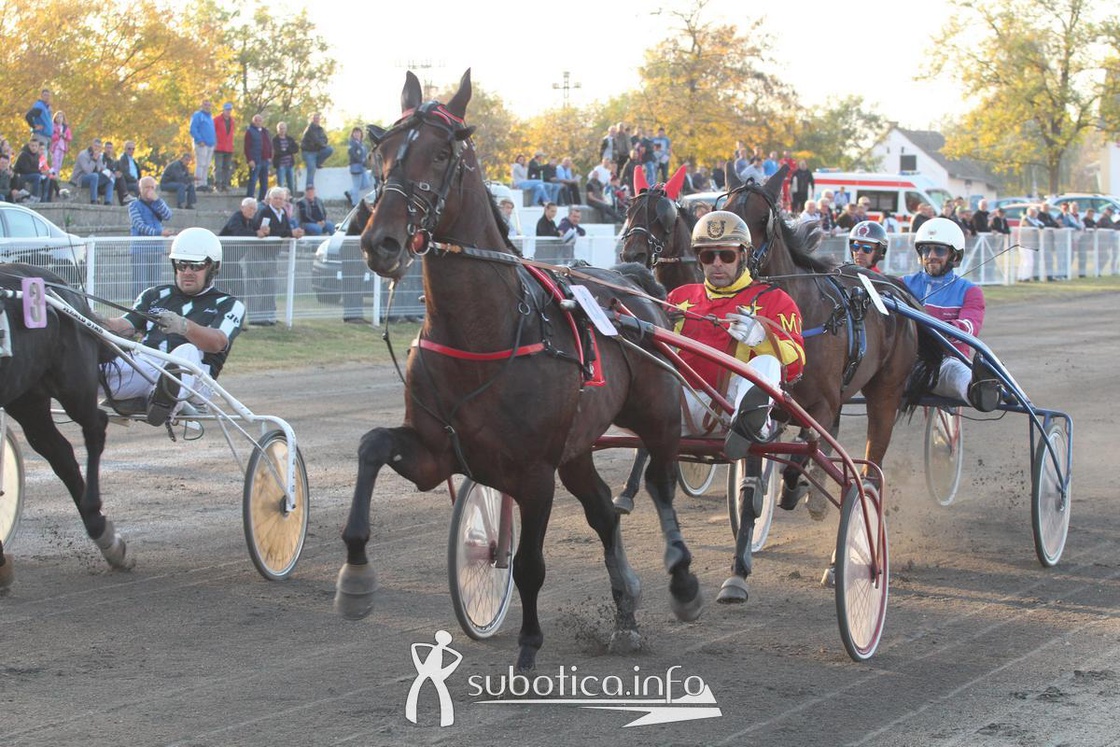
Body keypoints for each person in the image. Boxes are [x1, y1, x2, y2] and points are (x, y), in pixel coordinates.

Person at [667, 211, 804, 602]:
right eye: (707, 256)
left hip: (734, 409)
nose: (716, 265)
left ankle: (749, 426)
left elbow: (796, 362)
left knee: (765, 363)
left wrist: (765, 335)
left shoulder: (773, 300)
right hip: (687, 406)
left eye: (725, 255)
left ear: (743, 255)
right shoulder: (679, 299)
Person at [102, 228, 245, 426]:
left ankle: (162, 402)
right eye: (181, 264)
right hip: (145, 368)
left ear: (213, 267)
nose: (187, 272)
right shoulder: (154, 295)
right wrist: (89, 318)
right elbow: (124, 326)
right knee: (102, 355)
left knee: (186, 352)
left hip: (195, 381)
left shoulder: (228, 304)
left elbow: (218, 342)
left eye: (196, 266)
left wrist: (184, 326)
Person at [902, 217, 999, 412]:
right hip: (906, 362)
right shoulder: (903, 284)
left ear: (954, 256)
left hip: (945, 362)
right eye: (925, 249)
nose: (931, 255)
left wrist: (943, 329)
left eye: (939, 250)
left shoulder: (969, 291)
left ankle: (979, 389)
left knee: (955, 371)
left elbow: (970, 326)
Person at [247, 186, 304, 325]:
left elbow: (283, 229)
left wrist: (293, 232)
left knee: (269, 285)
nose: (278, 201)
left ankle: (268, 315)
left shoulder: (283, 212)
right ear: (270, 199)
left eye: (281, 199)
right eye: (276, 198)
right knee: (255, 285)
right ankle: (255, 317)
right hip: (259, 254)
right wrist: (289, 233)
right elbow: (267, 231)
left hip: (272, 254)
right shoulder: (264, 211)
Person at [128, 176, 174, 299]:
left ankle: (154, 305)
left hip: (156, 248)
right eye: (146, 187)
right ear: (140, 189)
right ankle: (137, 307)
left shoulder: (158, 203)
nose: (149, 190)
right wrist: (160, 232)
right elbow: (140, 226)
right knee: (140, 282)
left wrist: (157, 200)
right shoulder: (134, 205)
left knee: (155, 282)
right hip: (140, 249)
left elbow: (168, 215)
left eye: (152, 187)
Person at [217, 196, 258, 299]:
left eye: (254, 209)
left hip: (234, 261)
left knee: (239, 290)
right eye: (250, 208)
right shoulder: (237, 217)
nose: (252, 211)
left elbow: (257, 230)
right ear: (242, 207)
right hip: (223, 261)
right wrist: (256, 233)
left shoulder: (251, 221)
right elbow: (238, 232)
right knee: (222, 290)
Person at [69, 138, 111, 204]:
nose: (96, 148)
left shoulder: (98, 155)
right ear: (92, 146)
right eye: (95, 146)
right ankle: (94, 200)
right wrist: (94, 159)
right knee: (94, 176)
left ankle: (108, 201)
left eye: (99, 147)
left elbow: (100, 168)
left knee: (110, 177)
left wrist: (107, 171)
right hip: (80, 179)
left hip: (94, 178)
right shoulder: (83, 155)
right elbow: (88, 171)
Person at [300, 112, 334, 188]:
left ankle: (318, 163)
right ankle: (309, 188)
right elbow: (316, 140)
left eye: (317, 118)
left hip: (317, 150)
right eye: (314, 118)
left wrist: (323, 144)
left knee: (329, 149)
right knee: (311, 169)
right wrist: (322, 144)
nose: (316, 120)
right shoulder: (310, 129)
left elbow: (325, 139)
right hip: (309, 152)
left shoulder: (320, 129)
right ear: (311, 119)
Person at [244, 114, 272, 202]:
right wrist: (249, 160)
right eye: (256, 120)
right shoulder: (250, 131)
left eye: (260, 120)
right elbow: (247, 147)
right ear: (253, 121)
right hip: (255, 160)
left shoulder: (265, 131)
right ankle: (249, 199)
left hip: (265, 160)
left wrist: (270, 156)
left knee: (264, 182)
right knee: (253, 180)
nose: (258, 122)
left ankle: (262, 200)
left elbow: (269, 144)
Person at [189, 98, 216, 190]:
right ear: (201, 106)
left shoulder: (210, 117)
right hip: (201, 144)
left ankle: (204, 183)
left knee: (207, 164)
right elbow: (193, 129)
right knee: (201, 163)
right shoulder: (198, 115)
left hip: (210, 144)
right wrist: (199, 140)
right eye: (205, 105)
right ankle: (198, 183)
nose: (207, 107)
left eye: (209, 105)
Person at [14, 138, 48, 202]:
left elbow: (36, 169)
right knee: (37, 176)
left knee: (47, 178)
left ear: (38, 147)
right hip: (21, 175)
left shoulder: (37, 156)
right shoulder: (24, 154)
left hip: (31, 174)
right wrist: (40, 172)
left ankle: (44, 199)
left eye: (36, 146)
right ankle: (34, 197)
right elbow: (25, 170)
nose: (34, 148)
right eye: (32, 146)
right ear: (29, 145)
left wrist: (43, 172)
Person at [271, 121, 299, 195]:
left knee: (291, 184)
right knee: (281, 185)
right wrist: (288, 151)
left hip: (290, 165)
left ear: (286, 129)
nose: (282, 130)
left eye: (283, 128)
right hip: (280, 165)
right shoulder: (275, 140)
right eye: (280, 128)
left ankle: (291, 200)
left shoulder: (290, 139)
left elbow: (296, 149)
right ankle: (281, 201)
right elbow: (277, 152)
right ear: (277, 129)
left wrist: (286, 150)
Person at [213, 103, 236, 192]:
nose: (228, 112)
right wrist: (214, 142)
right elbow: (212, 132)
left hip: (229, 148)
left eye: (230, 110)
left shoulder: (232, 121)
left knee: (227, 167)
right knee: (218, 166)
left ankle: (224, 184)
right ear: (223, 110)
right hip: (219, 147)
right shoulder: (217, 120)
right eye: (227, 110)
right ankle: (217, 184)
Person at [346, 127, 370, 207]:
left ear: (361, 134)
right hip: (355, 166)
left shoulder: (362, 144)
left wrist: (366, 162)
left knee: (366, 184)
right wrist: (360, 160)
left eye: (358, 132)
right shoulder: (352, 143)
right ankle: (354, 204)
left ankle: (350, 192)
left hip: (363, 167)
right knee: (356, 185)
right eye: (355, 132)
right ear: (352, 134)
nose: (357, 134)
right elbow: (352, 153)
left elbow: (365, 155)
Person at [48, 110, 72, 174]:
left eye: (61, 117)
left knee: (60, 162)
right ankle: (54, 175)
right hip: (55, 146)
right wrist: (58, 135)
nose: (59, 119)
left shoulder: (66, 128)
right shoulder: (53, 127)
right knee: (55, 161)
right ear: (55, 118)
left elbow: (69, 138)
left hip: (63, 147)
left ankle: (57, 174)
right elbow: (51, 137)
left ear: (63, 118)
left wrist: (65, 136)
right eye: (57, 117)